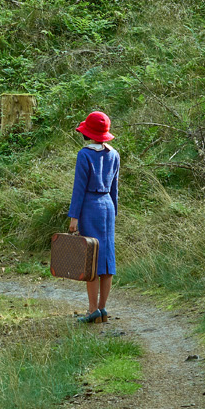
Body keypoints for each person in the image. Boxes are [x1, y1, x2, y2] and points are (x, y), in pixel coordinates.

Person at [67, 110, 120, 322]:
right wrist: (114, 213)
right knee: (106, 260)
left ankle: (92, 311)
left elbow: (79, 189)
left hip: (90, 207)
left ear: (88, 133)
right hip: (108, 207)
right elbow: (115, 189)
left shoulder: (85, 154)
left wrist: (74, 217)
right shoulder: (114, 154)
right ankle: (103, 309)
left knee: (91, 260)